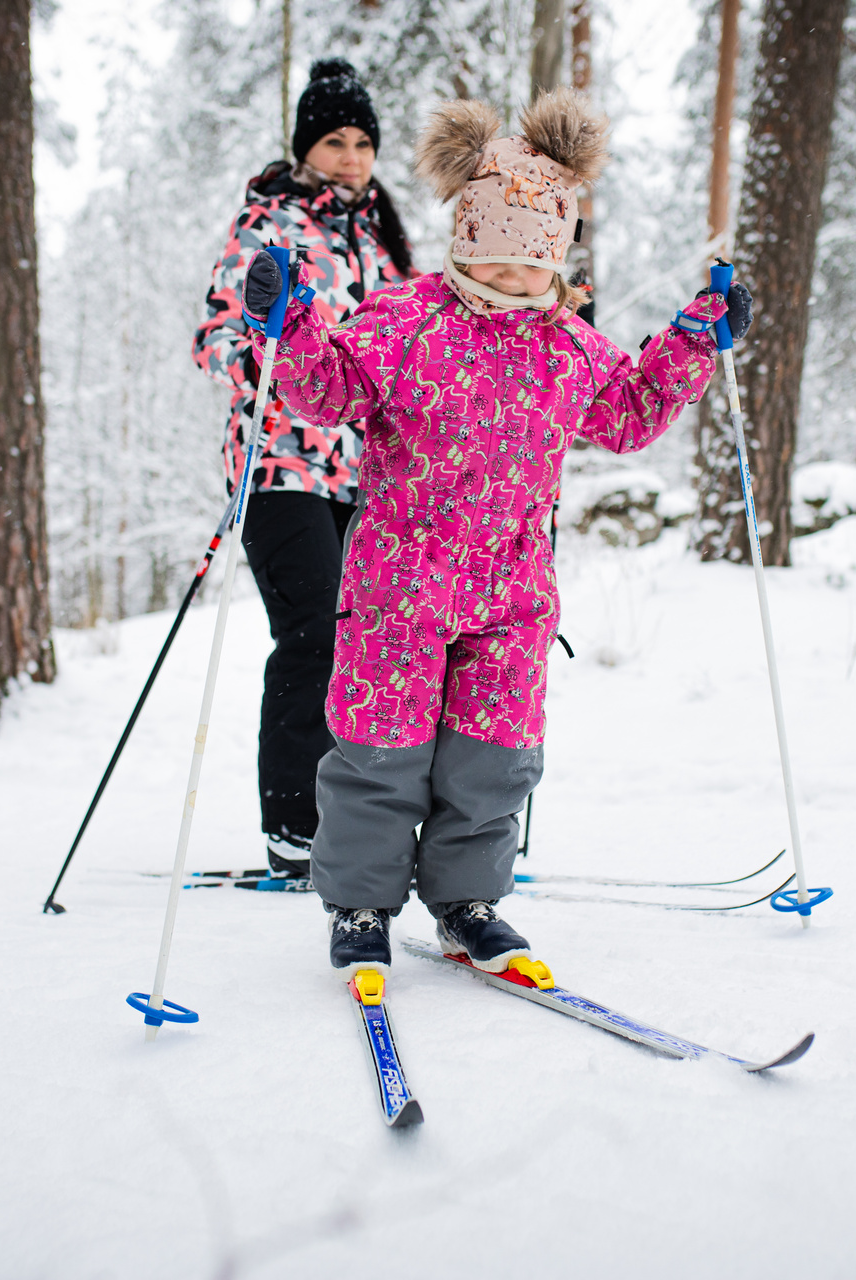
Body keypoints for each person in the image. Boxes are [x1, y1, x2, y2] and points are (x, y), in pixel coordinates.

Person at [240, 90, 753, 976]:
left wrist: (691, 343)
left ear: (558, 255)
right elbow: (330, 390)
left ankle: (466, 900)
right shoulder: (407, 317)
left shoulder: (568, 345)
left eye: (536, 262)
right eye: (500, 259)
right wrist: (290, 327)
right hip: (400, 580)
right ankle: (360, 904)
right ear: (467, 243)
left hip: (511, 591)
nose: (518, 279)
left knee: (493, 753)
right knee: (379, 749)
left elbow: (627, 414)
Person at [193, 58, 415, 879]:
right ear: (305, 147)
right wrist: (264, 340)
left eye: (363, 142)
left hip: (364, 472)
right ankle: (295, 827)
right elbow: (215, 340)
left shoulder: (382, 240)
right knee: (314, 628)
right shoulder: (268, 226)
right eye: (335, 141)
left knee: (365, 643)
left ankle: (361, 822)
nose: (352, 157)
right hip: (280, 462)